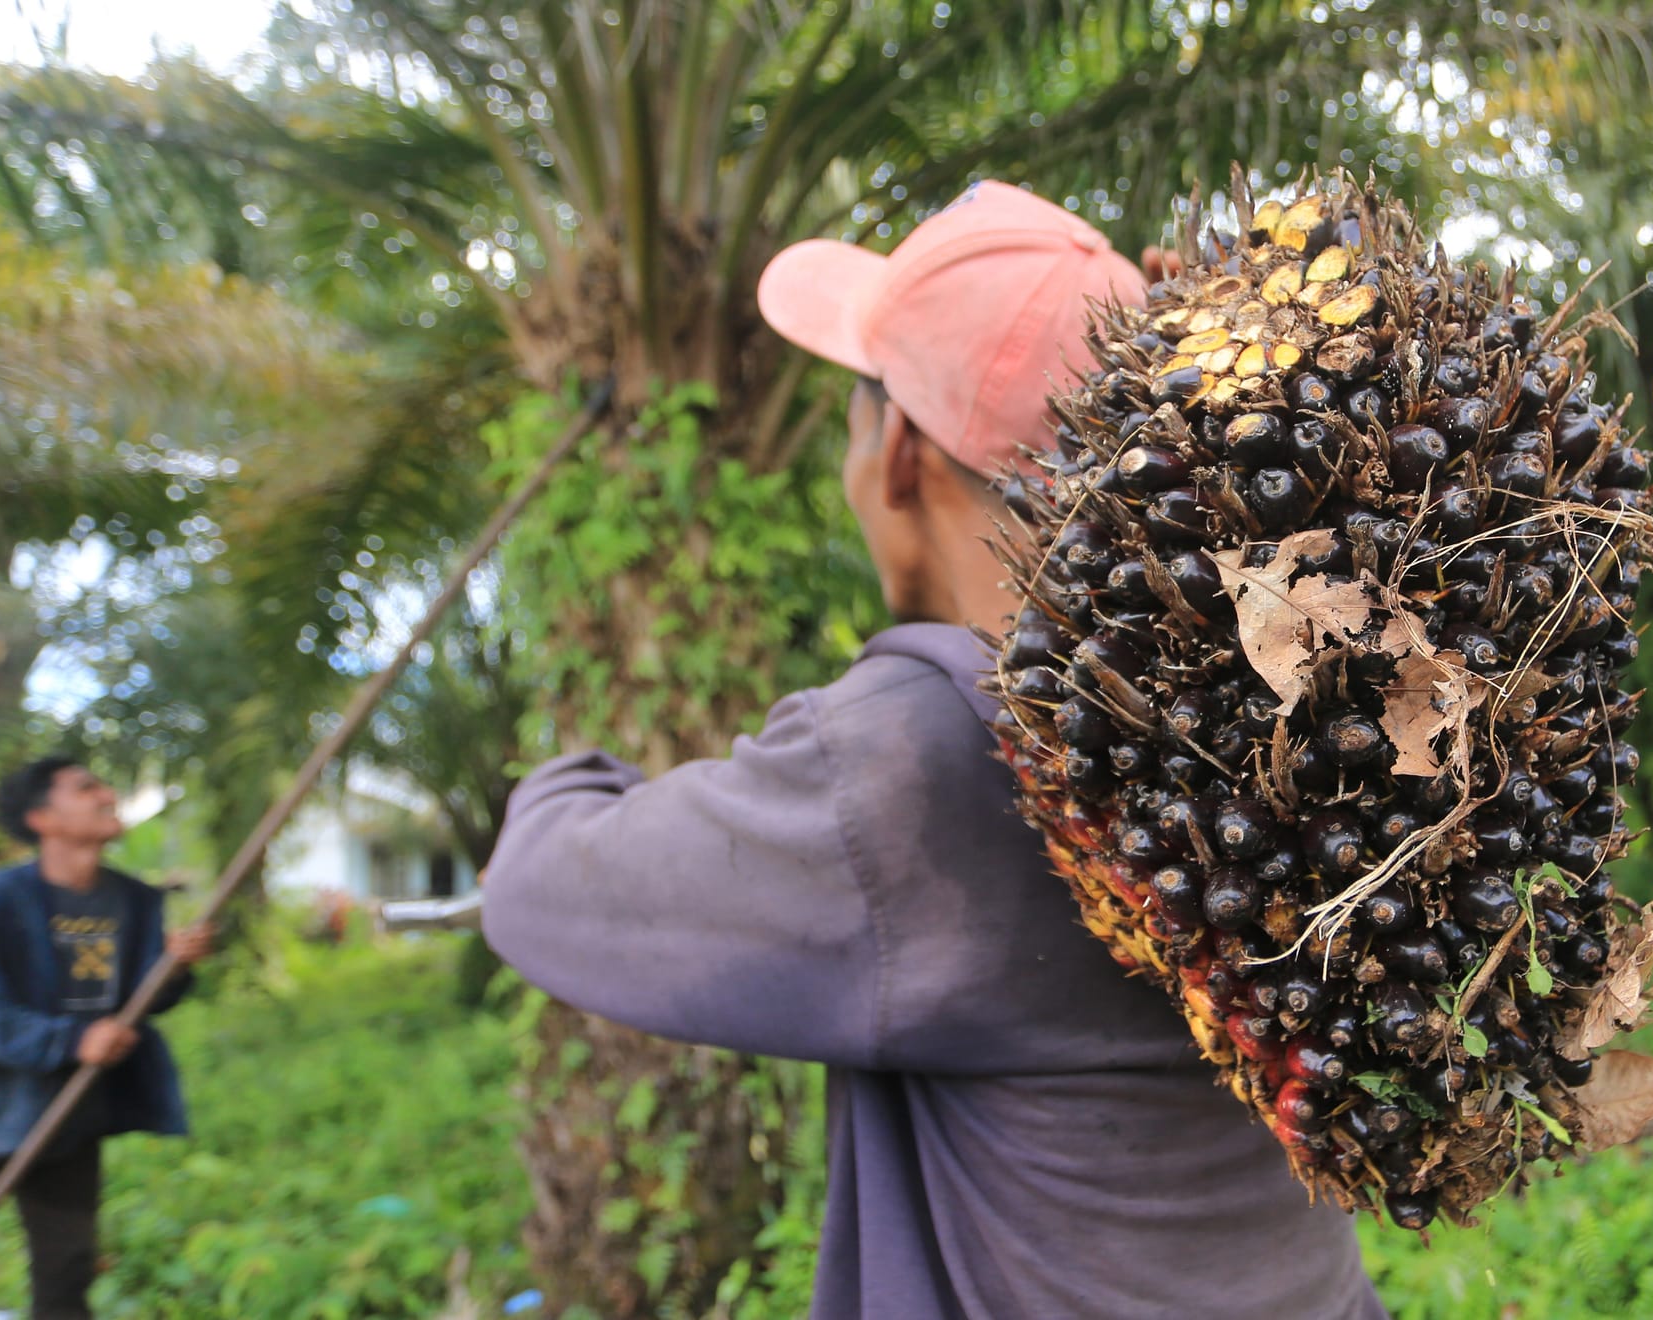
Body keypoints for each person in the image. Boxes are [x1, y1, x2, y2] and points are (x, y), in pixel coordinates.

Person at [481, 181, 1385, 1318]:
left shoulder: (918, 752)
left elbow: (540, 890)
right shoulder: (1271, 698)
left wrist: (575, 779)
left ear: (897, 451)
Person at [0, 757, 214, 1320]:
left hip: (71, 1117)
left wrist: (173, 967)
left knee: (66, 1274)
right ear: (42, 819)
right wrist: (70, 1041)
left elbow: (142, 1001)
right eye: (85, 788)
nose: (107, 794)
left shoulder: (134, 900)